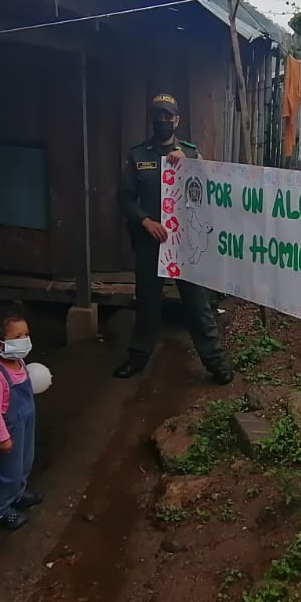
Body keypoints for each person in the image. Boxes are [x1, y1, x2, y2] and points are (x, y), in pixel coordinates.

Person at [114, 92, 234, 383]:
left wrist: (190, 167)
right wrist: (145, 221)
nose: (163, 121)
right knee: (147, 302)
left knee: (196, 302)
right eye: (158, 116)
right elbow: (125, 198)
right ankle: (138, 357)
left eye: (168, 117)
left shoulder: (191, 154)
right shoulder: (137, 154)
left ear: (177, 120)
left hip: (185, 242)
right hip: (149, 241)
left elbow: (208, 192)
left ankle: (215, 361)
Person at [0, 308, 42, 529]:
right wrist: (2, 437)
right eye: (17, 337)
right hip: (9, 428)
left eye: (25, 334)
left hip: (26, 422)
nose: (24, 340)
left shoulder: (20, 364)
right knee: (7, 470)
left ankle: (18, 493)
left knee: (24, 462)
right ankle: (2, 509)